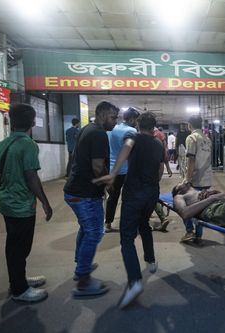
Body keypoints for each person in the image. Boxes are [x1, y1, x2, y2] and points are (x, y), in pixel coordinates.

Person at [93, 112, 165, 309]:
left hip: (134, 193)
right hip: (152, 192)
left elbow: (127, 147)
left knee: (126, 237)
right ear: (154, 126)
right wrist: (152, 184)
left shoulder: (133, 137)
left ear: (137, 124)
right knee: (144, 225)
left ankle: (134, 282)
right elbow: (160, 170)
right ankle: (150, 261)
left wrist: (114, 172)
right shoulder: (158, 144)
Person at [0, 103, 53, 303]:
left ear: (13, 121)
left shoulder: (3, 144)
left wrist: (8, 185)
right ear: (33, 122)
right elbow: (31, 176)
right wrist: (45, 201)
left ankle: (17, 280)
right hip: (21, 206)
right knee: (20, 247)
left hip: (6, 202)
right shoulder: (28, 144)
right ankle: (19, 289)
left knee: (13, 244)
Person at [63, 101, 119, 297]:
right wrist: (109, 182)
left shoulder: (88, 128)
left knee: (86, 229)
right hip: (84, 193)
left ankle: (81, 264)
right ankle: (83, 280)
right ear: (102, 114)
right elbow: (97, 167)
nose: (115, 122)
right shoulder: (98, 133)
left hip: (75, 190)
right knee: (95, 232)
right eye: (113, 117)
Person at [104, 107, 140, 233]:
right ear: (131, 119)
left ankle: (107, 223)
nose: (137, 122)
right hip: (126, 169)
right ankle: (126, 222)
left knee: (112, 197)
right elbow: (132, 149)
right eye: (136, 119)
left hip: (112, 168)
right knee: (128, 197)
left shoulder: (113, 129)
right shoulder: (131, 130)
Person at [181, 115, 212, 245]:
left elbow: (191, 159)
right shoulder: (207, 139)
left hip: (195, 179)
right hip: (207, 178)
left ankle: (189, 231)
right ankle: (198, 236)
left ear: (189, 125)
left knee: (184, 205)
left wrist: (187, 179)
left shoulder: (191, 137)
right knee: (201, 209)